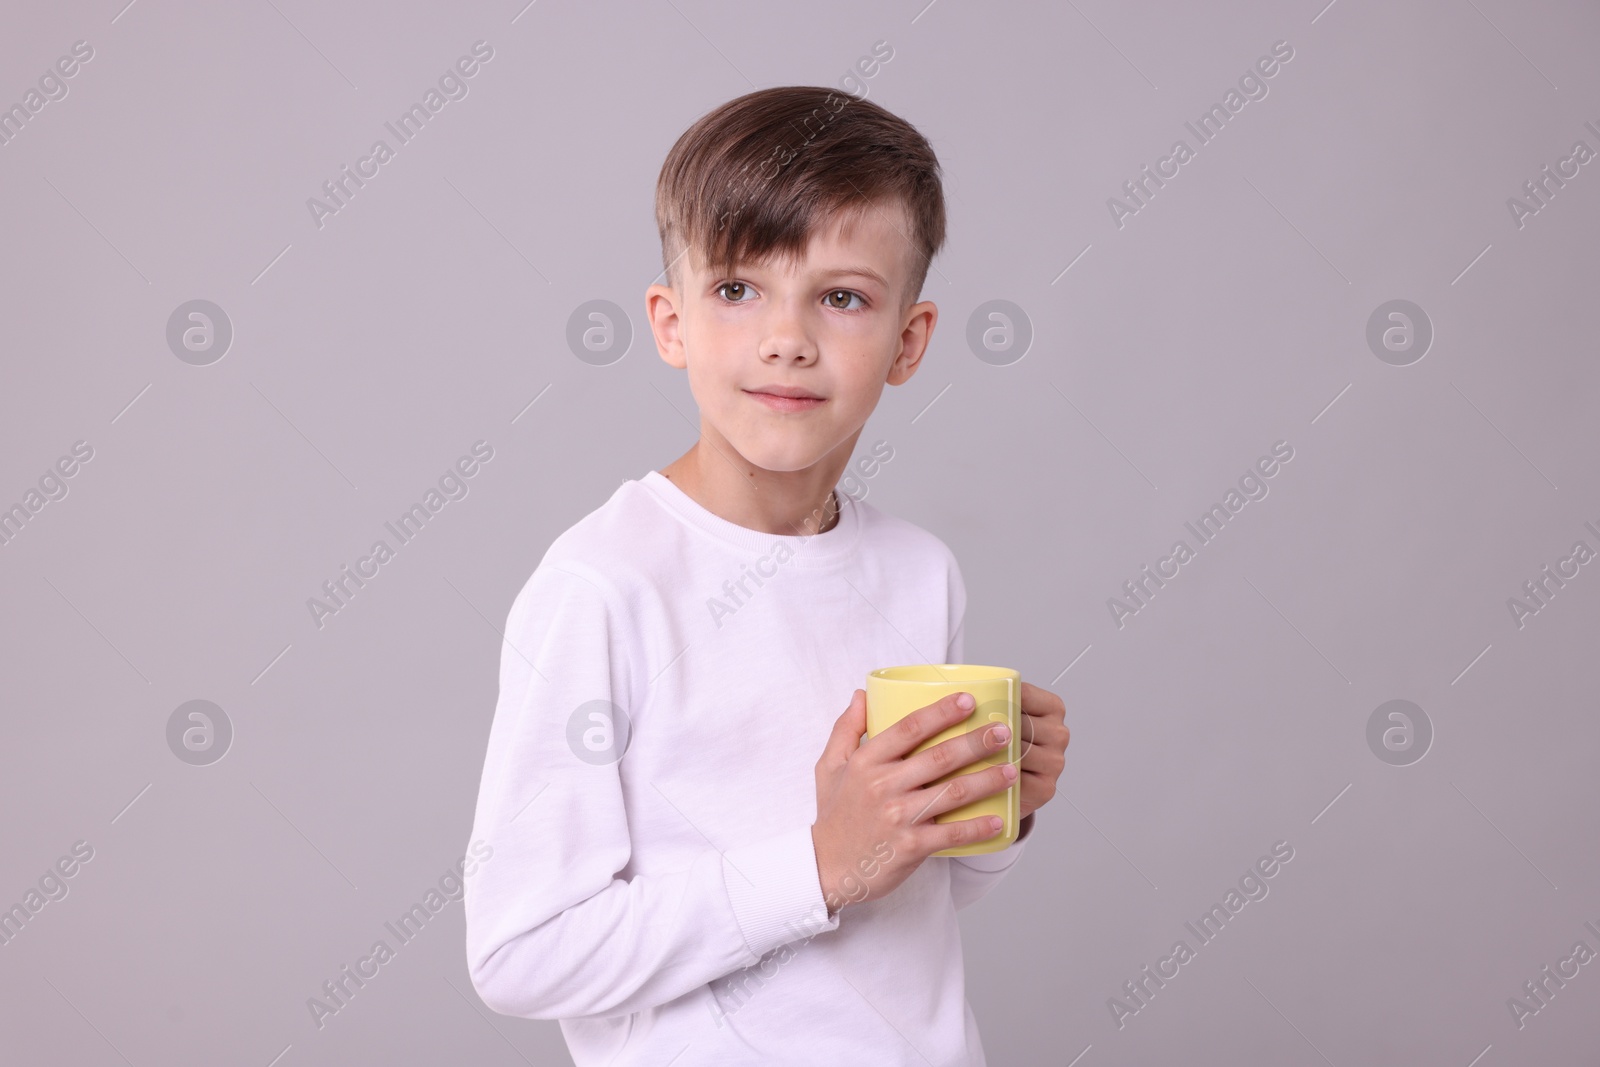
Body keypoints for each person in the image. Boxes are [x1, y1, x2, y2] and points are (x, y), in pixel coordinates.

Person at [464, 84, 1070, 1065]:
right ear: (671, 323)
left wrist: (1000, 805)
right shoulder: (605, 586)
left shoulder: (921, 571)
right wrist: (819, 864)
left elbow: (925, 886)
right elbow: (522, 950)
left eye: (841, 297)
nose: (786, 336)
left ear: (907, 342)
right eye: (739, 288)